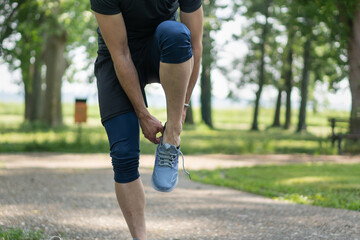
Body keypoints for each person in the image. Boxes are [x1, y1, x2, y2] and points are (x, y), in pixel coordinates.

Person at [90, 0, 203, 239]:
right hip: (117, 57)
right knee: (123, 154)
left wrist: (182, 110)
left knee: (176, 33)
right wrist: (142, 113)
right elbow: (120, 53)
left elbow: (195, 45)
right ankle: (139, 237)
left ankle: (171, 138)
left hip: (164, 48)